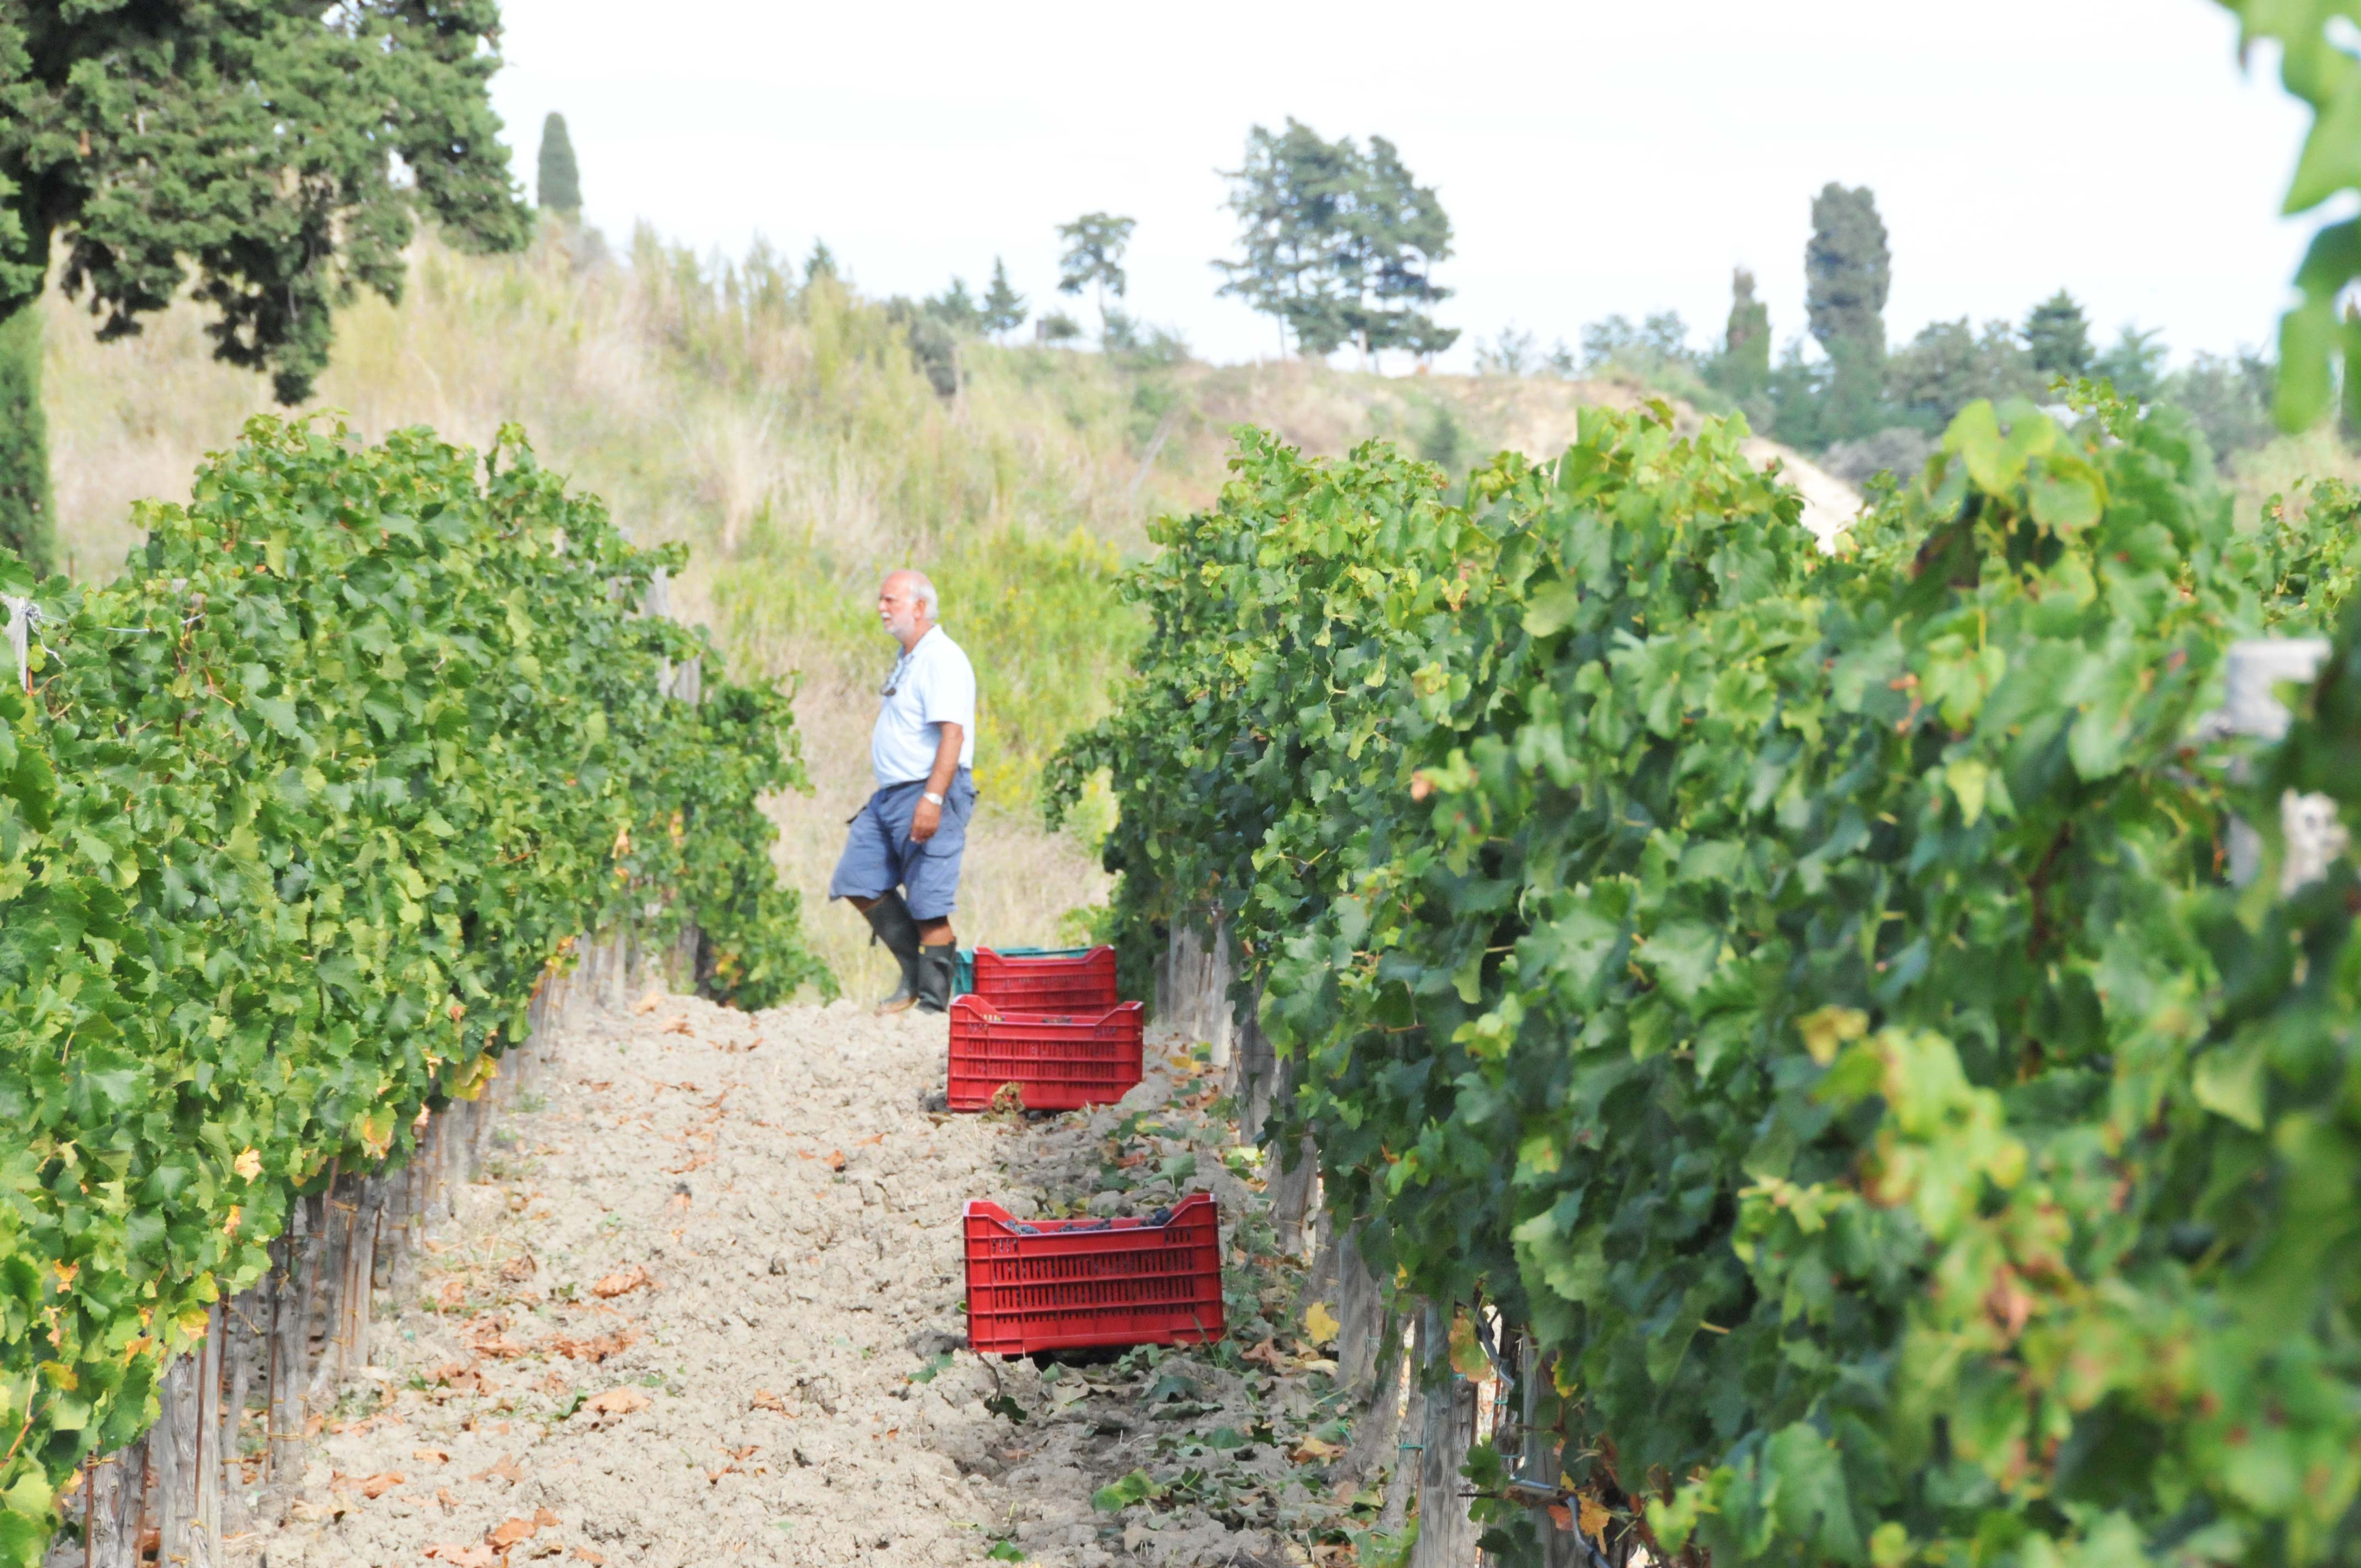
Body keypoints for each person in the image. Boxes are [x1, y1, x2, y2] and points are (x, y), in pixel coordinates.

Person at [829, 569, 978, 1014]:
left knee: (928, 904)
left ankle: (933, 1007)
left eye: (890, 600)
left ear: (919, 606)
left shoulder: (942, 658)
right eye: (881, 599)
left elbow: (953, 735)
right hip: (890, 796)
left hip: (929, 790)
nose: (881, 608)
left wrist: (932, 800)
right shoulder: (908, 656)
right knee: (857, 878)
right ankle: (913, 976)